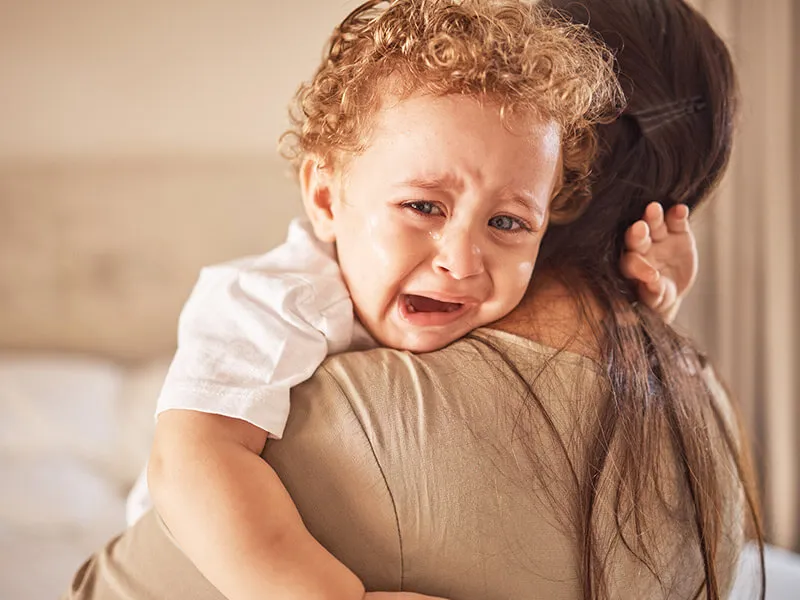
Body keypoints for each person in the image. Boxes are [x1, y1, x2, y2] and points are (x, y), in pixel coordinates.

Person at [64, 1, 762, 599]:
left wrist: (643, 302)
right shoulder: (269, 300)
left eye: (509, 223)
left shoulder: (459, 304)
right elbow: (190, 459)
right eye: (424, 206)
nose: (462, 260)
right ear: (326, 197)